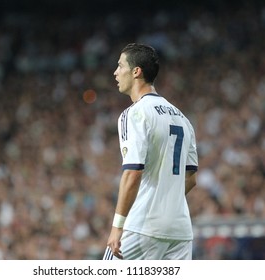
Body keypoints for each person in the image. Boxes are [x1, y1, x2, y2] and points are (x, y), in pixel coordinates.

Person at [103, 43, 198, 260]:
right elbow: (191, 179)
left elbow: (133, 172)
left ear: (136, 71)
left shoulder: (135, 114)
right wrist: (165, 201)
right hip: (180, 231)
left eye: (120, 66)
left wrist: (117, 226)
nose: (115, 72)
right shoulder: (183, 118)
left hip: (142, 226)